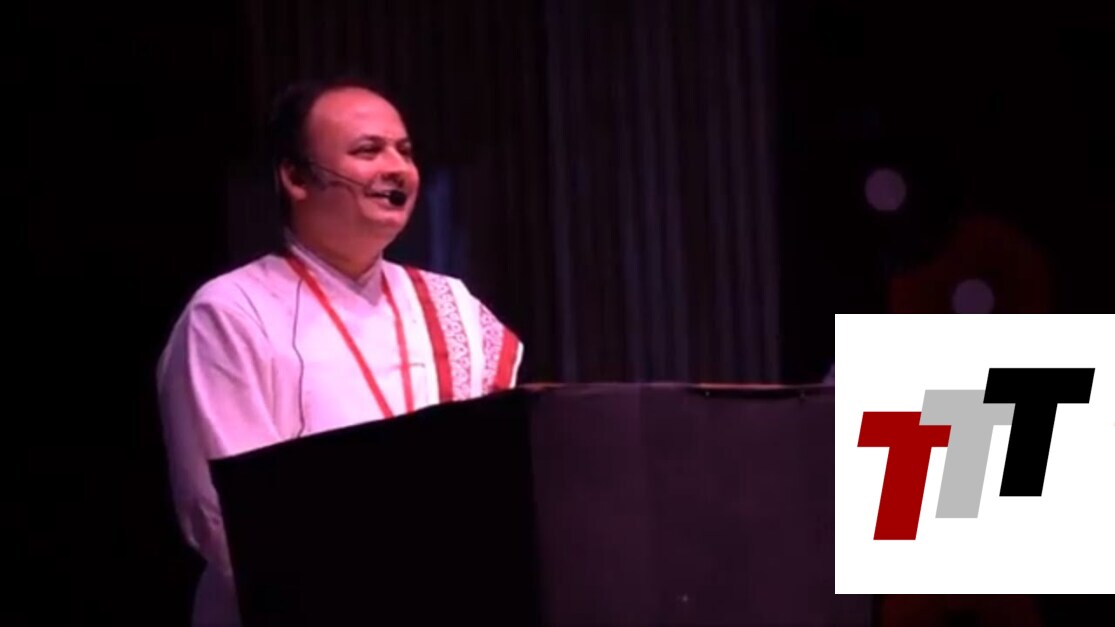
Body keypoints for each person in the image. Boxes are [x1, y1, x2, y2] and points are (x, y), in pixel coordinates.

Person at [155, 76, 524, 627]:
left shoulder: (453, 305)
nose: (397, 168)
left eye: (405, 151)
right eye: (368, 151)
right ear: (296, 177)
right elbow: (226, 516)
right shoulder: (231, 312)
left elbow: (495, 475)